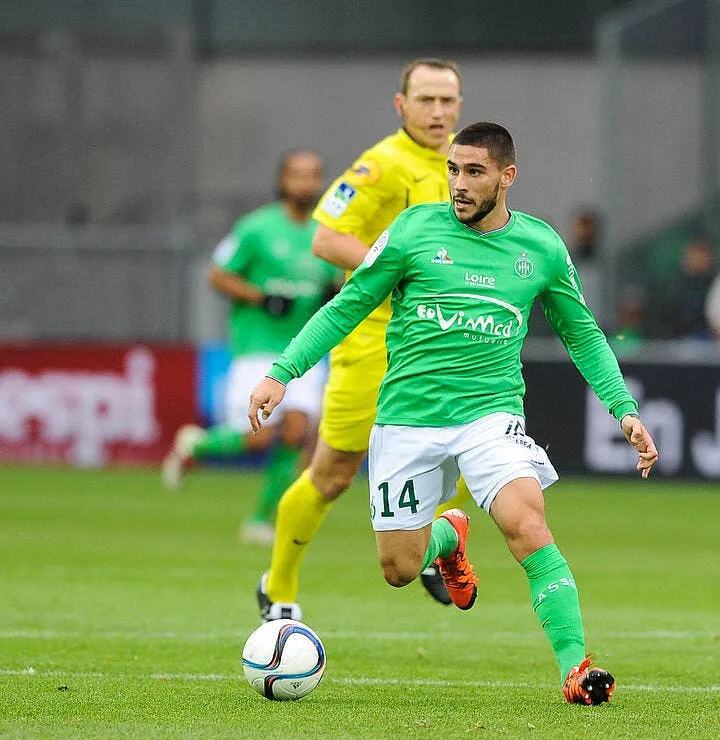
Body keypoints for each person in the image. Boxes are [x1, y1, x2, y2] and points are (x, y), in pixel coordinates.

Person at [248, 122, 659, 704]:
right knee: (398, 568)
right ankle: (448, 534)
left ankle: (577, 667)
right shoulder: (414, 230)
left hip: (490, 417)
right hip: (407, 420)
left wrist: (624, 410)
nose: (458, 184)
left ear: (506, 177)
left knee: (527, 523)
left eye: (474, 172)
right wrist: (281, 373)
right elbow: (347, 307)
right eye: (453, 170)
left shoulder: (539, 247)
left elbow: (583, 335)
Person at [257, 58, 469, 621]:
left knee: (478, 454)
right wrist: (401, 270)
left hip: (438, 344)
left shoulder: (465, 167)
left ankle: (433, 549)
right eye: (426, 99)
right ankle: (277, 588)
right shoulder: (381, 165)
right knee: (332, 474)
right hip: (372, 341)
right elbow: (327, 241)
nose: (438, 111)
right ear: (401, 105)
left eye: (448, 101)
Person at [162, 149, 338, 545]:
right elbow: (218, 274)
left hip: (304, 351)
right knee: (260, 435)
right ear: (282, 180)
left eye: (314, 175)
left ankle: (261, 519)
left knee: (297, 433)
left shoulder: (324, 233)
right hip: (257, 347)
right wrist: (261, 298)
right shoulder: (255, 228)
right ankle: (198, 443)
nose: (306, 183)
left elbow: (335, 284)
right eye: (298, 175)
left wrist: (334, 291)